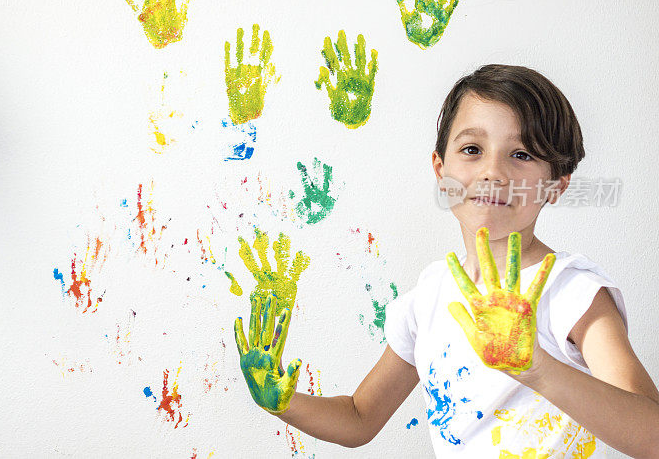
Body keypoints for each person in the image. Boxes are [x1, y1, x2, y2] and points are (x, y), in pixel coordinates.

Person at [232, 65, 659, 457]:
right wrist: (283, 403)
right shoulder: (429, 297)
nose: (493, 172)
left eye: (522, 154)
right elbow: (360, 418)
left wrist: (537, 368)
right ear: (440, 169)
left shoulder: (572, 291)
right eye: (472, 149)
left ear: (557, 185)